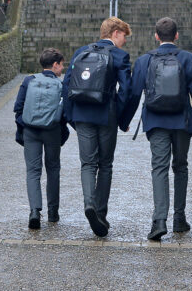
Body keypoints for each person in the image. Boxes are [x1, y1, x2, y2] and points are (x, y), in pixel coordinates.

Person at [122, 17, 192, 241]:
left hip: (156, 121)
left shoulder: (145, 61)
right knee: (181, 167)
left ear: (156, 36)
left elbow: (134, 94)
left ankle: (159, 220)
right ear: (176, 36)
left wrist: (124, 120)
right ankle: (179, 219)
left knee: (159, 168)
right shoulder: (187, 58)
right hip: (182, 121)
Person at [62, 17, 132, 237]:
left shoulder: (81, 51)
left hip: (82, 113)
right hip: (106, 114)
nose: (125, 41)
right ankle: (100, 213)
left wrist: (71, 116)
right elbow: (126, 90)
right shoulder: (119, 55)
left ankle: (89, 203)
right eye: (124, 36)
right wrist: (121, 117)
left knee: (87, 163)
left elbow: (66, 84)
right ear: (115, 33)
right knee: (106, 164)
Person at [13, 48, 69, 229]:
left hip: (30, 130)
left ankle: (34, 211)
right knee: (53, 169)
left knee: (33, 171)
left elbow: (18, 107)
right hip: (52, 131)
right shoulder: (61, 85)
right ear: (55, 65)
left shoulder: (29, 80)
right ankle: (53, 213)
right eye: (61, 65)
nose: (62, 69)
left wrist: (26, 124)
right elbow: (65, 113)